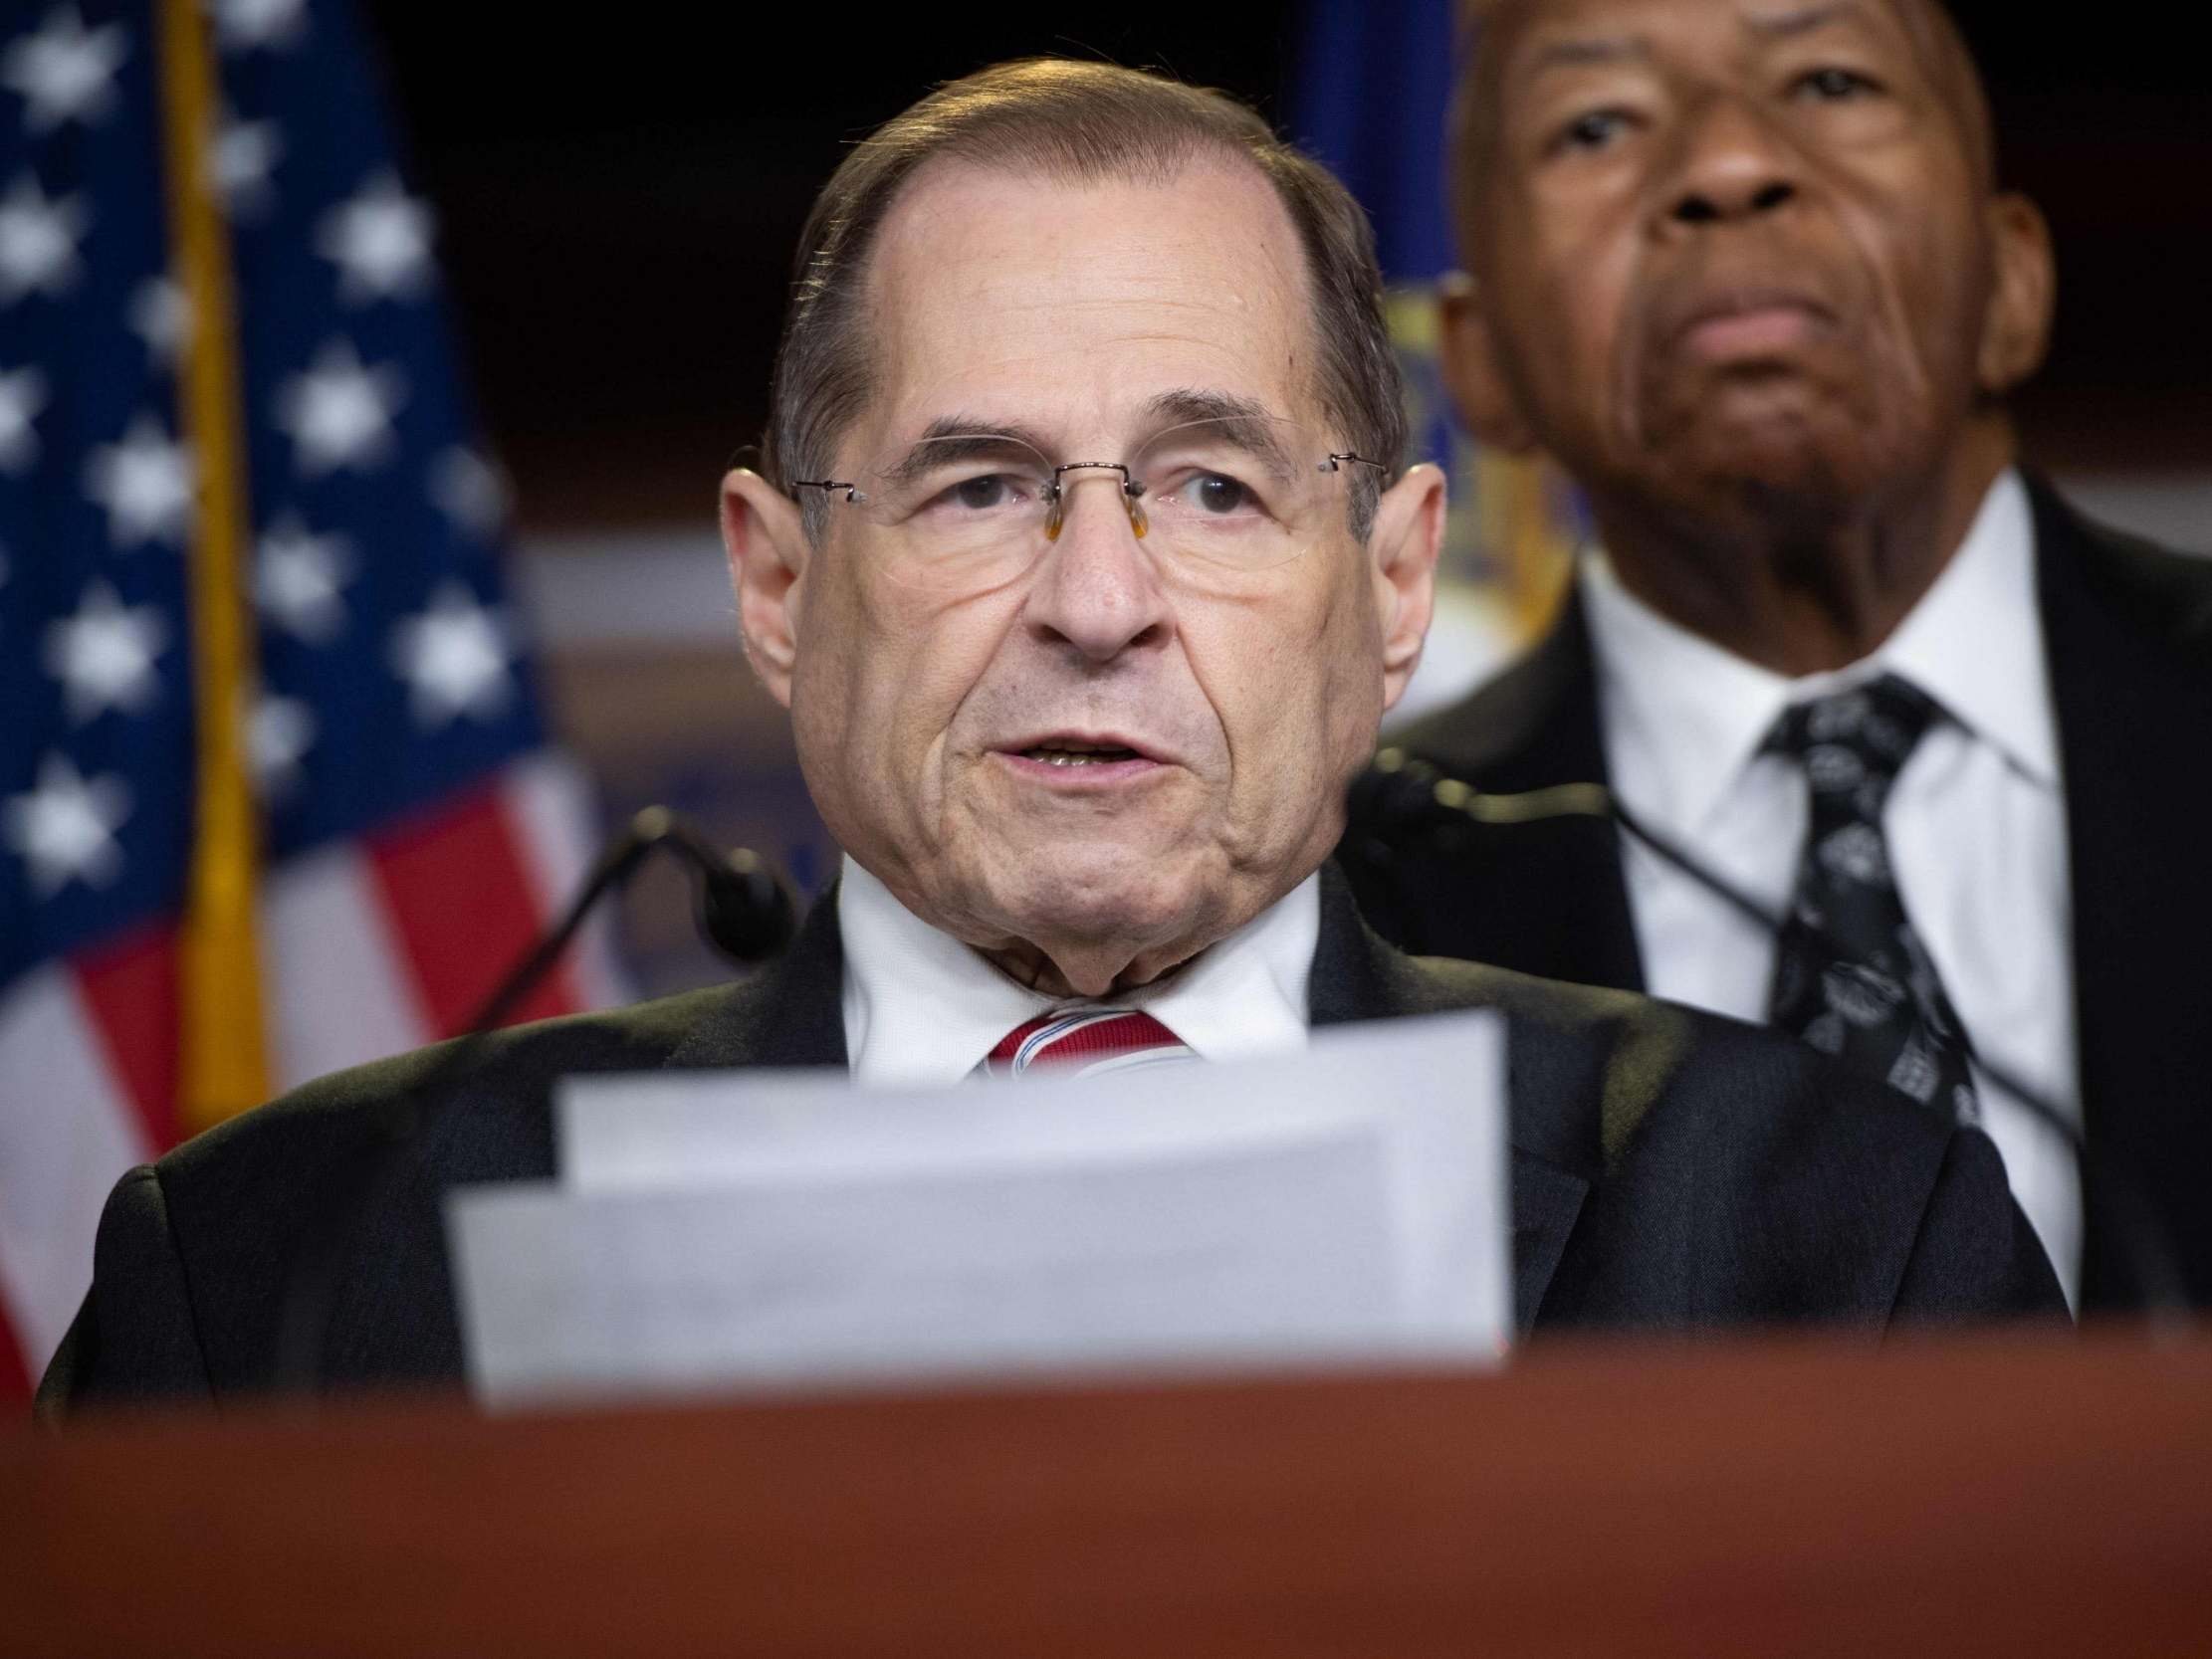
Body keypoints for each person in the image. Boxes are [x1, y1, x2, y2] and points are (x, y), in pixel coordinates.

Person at [39, 59, 2060, 1413]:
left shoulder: (1832, 1251)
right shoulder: (275, 1295)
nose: (1097, 604)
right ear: (774, 581)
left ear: (1384, 587)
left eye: (1211, 490)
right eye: (979, 486)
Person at [1340, 0, 2212, 1314]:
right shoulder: (1347, 889)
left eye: (1827, 80)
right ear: (1478, 368)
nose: (1726, 165)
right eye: (1595, 124)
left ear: (2011, 281)